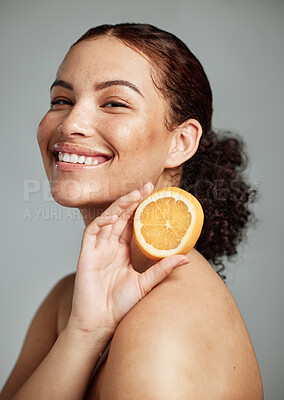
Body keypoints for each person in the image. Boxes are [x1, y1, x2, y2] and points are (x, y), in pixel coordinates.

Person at [0, 23, 263, 399]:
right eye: (61, 100)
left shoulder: (166, 321)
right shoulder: (69, 301)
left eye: (114, 103)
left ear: (181, 143)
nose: (71, 124)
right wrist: (84, 335)